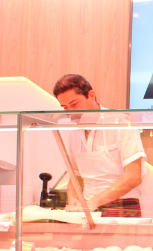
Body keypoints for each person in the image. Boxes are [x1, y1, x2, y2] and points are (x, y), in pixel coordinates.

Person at [53, 74, 146, 217]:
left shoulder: (121, 123)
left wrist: (95, 201)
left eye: (74, 104)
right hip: (89, 208)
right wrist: (72, 200)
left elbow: (134, 176)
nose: (71, 113)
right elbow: (75, 176)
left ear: (91, 95)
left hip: (123, 207)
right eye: (65, 108)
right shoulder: (74, 133)